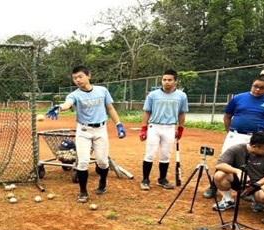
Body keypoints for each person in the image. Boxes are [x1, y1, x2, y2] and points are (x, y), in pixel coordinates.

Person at [46, 65, 126, 203]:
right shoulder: (74, 94)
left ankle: (102, 181)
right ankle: (83, 192)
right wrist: (59, 107)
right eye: (75, 78)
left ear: (89, 76)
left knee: (102, 161)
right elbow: (68, 104)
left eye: (80, 76)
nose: (77, 80)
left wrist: (118, 124)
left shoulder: (102, 91)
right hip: (83, 131)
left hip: (100, 129)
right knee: (83, 162)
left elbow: (110, 108)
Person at [203, 74, 264, 198]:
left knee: (256, 163)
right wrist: (229, 131)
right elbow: (227, 116)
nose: (257, 89)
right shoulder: (238, 98)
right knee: (225, 160)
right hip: (236, 135)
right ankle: (214, 187)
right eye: (255, 86)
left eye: (262, 88)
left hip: (257, 138)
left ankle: (252, 190)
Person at [139, 69, 188, 190]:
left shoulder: (181, 96)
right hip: (154, 127)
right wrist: (144, 128)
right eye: (164, 79)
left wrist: (180, 128)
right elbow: (147, 112)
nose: (166, 82)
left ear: (175, 81)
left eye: (170, 80)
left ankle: (162, 179)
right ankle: (145, 179)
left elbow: (182, 113)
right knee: (150, 154)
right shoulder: (153, 95)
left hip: (170, 127)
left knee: (166, 155)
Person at [211, 132, 264, 212]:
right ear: (254, 146)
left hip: (260, 185)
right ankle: (228, 200)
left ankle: (257, 201)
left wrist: (255, 185)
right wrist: (237, 171)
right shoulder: (236, 149)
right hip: (240, 182)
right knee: (219, 175)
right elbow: (220, 165)